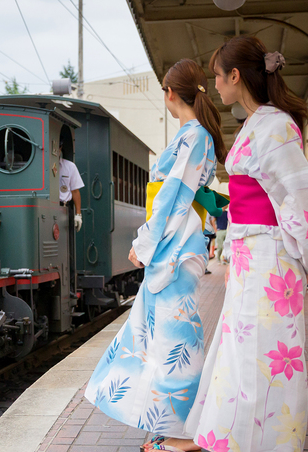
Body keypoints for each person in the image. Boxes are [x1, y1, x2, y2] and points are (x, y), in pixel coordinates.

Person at [157, 36, 308, 452]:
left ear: (236, 76)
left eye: (217, 75)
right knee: (241, 350)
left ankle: (260, 442)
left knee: (264, 354)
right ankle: (222, 436)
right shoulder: (263, 122)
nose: (213, 84)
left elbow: (299, 196)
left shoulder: (274, 125)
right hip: (256, 256)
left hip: (271, 258)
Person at [85, 59, 225, 449]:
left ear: (169, 92)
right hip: (178, 244)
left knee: (176, 338)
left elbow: (173, 195)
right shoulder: (194, 135)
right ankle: (177, 427)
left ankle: (187, 436)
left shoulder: (194, 136)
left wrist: (144, 242)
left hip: (176, 246)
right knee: (168, 336)